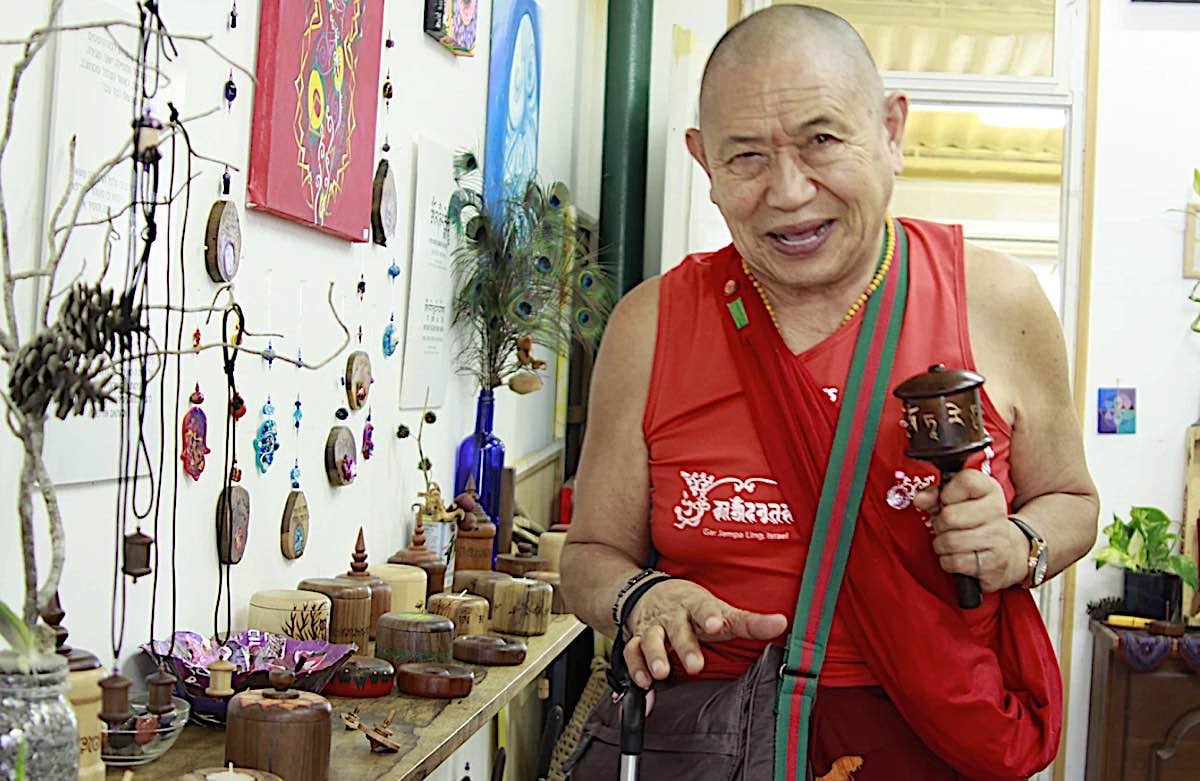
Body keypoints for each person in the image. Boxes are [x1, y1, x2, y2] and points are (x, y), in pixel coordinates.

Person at [560, 5, 1098, 780]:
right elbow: (589, 558)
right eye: (744, 156)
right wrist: (642, 595)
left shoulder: (998, 302)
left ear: (891, 130)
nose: (787, 190)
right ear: (703, 163)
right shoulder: (652, 324)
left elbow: (1073, 501)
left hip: (936, 731)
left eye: (822, 140)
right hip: (712, 736)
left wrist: (1019, 544)